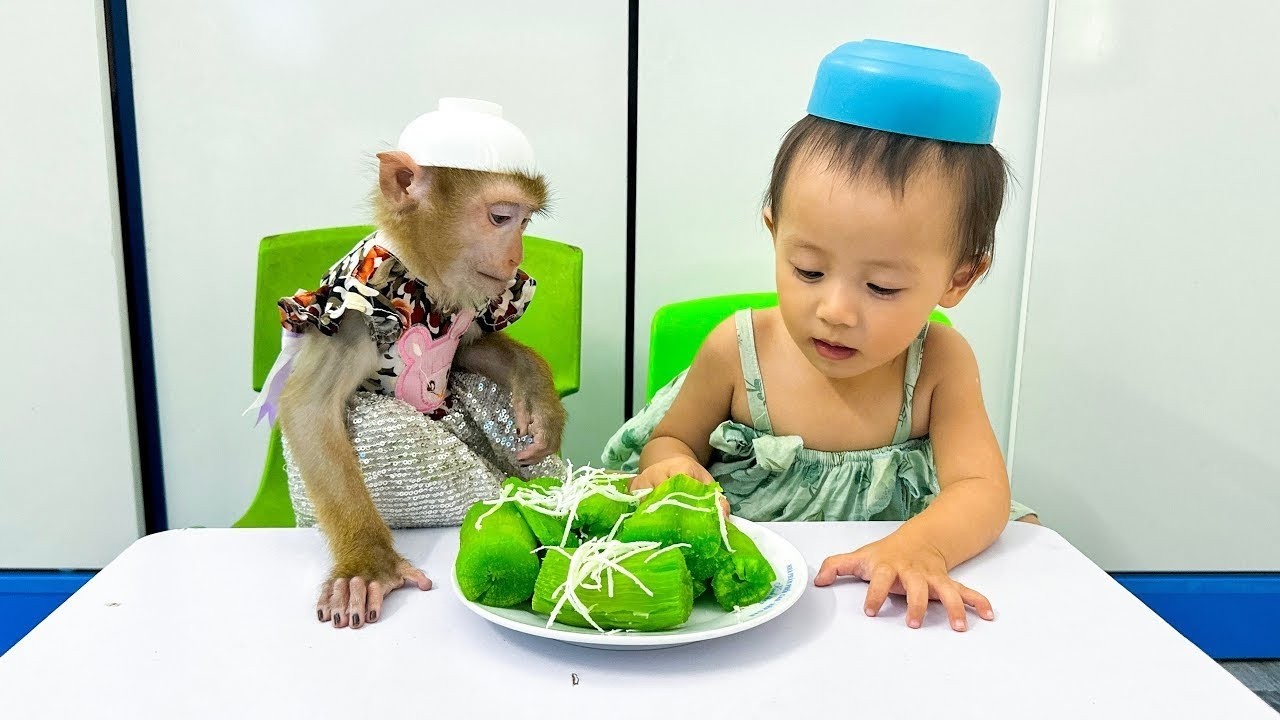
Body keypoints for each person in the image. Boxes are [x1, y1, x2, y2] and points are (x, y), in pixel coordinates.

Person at [603, 40, 1036, 633]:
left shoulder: (939, 363)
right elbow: (669, 440)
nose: (834, 310)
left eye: (881, 286)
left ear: (959, 278)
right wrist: (672, 466)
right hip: (741, 604)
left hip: (884, 609)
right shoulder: (736, 349)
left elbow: (981, 487)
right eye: (808, 270)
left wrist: (924, 549)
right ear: (773, 229)